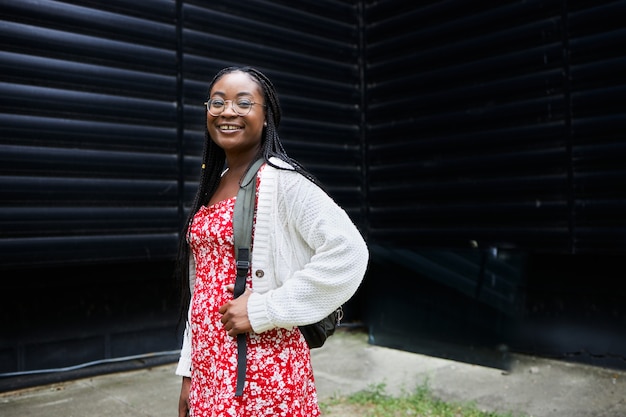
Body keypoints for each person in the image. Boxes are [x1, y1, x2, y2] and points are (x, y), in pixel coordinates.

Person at [174, 66, 369, 417]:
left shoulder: (282, 182)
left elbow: (349, 252)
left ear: (266, 117)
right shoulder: (214, 184)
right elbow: (202, 292)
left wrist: (265, 309)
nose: (227, 111)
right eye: (217, 102)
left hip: (265, 372)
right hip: (210, 369)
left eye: (243, 102)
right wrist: (189, 371)